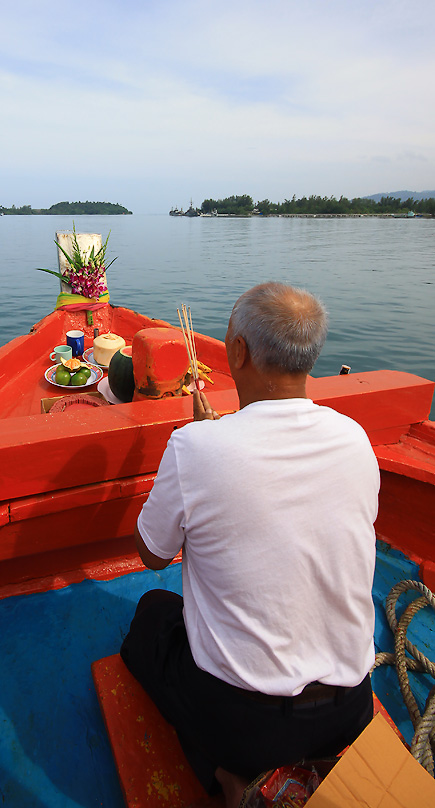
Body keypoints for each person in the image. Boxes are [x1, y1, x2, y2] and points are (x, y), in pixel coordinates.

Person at [120, 282, 379, 798]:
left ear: (236, 352)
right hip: (351, 709)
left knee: (151, 614)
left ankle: (226, 776)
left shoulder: (196, 447)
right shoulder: (355, 437)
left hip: (244, 727)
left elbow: (150, 555)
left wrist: (201, 446)